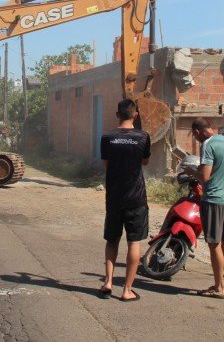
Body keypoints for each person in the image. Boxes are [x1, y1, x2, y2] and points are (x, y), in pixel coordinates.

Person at [99, 99, 151, 302]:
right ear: (135, 115)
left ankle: (108, 283)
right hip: (136, 198)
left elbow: (106, 163)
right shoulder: (143, 137)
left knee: (112, 240)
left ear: (116, 114)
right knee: (134, 242)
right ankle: (127, 290)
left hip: (114, 197)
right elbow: (145, 161)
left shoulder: (107, 137)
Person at [188, 118, 224, 299]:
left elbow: (204, 176)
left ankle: (218, 288)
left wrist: (190, 171)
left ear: (197, 132)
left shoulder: (208, 145)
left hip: (214, 200)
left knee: (214, 243)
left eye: (194, 135)